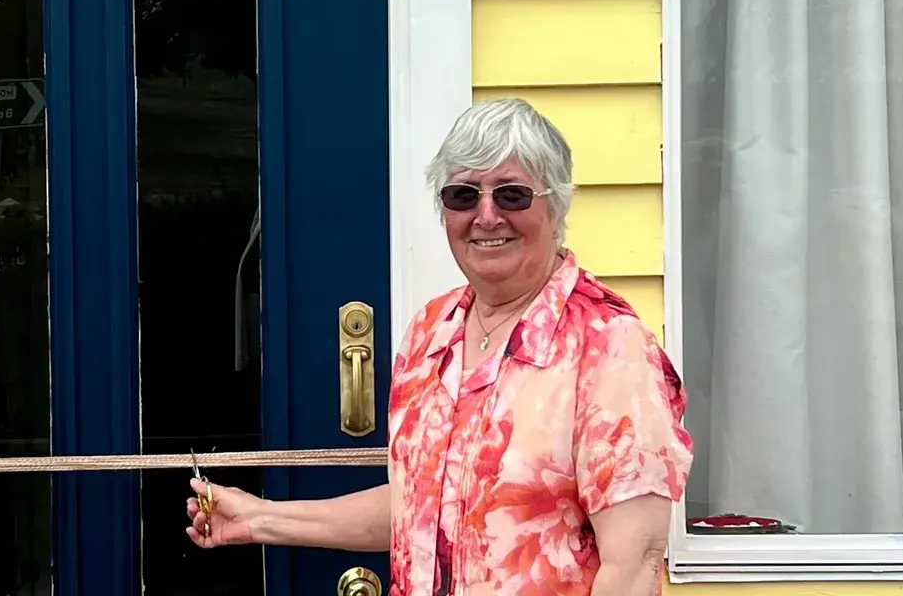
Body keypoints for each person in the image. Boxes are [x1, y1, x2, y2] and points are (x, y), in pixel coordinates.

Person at [187, 98, 693, 596]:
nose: (486, 216)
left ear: (556, 205)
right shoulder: (432, 331)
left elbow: (634, 565)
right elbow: (419, 511)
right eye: (463, 195)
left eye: (512, 195)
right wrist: (260, 518)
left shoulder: (609, 347)